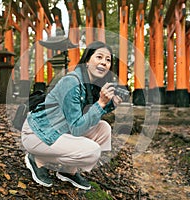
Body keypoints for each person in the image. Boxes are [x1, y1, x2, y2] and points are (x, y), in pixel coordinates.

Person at [21, 41, 123, 190]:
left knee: (104, 129)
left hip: (59, 131)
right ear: (87, 61)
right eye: (99, 57)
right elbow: (76, 128)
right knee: (92, 152)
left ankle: (68, 171)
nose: (104, 62)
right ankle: (37, 159)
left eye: (108, 60)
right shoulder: (72, 82)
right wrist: (100, 103)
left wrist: (111, 103)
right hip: (38, 134)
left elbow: (88, 117)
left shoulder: (90, 85)